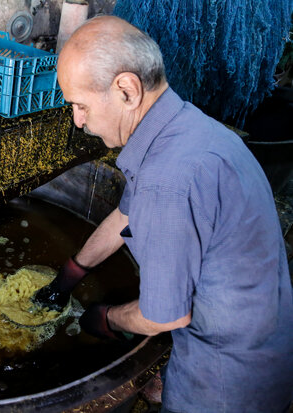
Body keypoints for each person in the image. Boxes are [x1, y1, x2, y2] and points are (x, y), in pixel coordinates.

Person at [33, 15, 293, 413]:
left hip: (226, 381)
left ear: (126, 89)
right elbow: (124, 218)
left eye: (79, 105)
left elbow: (163, 315)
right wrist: (72, 272)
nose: (78, 121)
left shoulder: (166, 180)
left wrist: (106, 318)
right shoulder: (187, 130)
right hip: (268, 334)